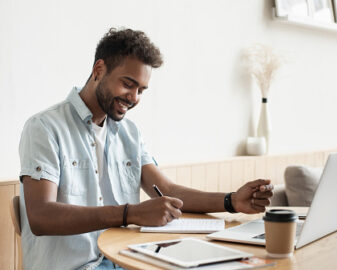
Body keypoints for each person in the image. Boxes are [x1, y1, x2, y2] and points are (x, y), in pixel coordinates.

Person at [19, 28, 274, 270]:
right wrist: (130, 213)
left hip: (125, 260)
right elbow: (41, 216)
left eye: (141, 90)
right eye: (128, 84)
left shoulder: (130, 134)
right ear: (99, 69)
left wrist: (232, 201)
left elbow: (168, 190)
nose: (134, 98)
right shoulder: (44, 128)